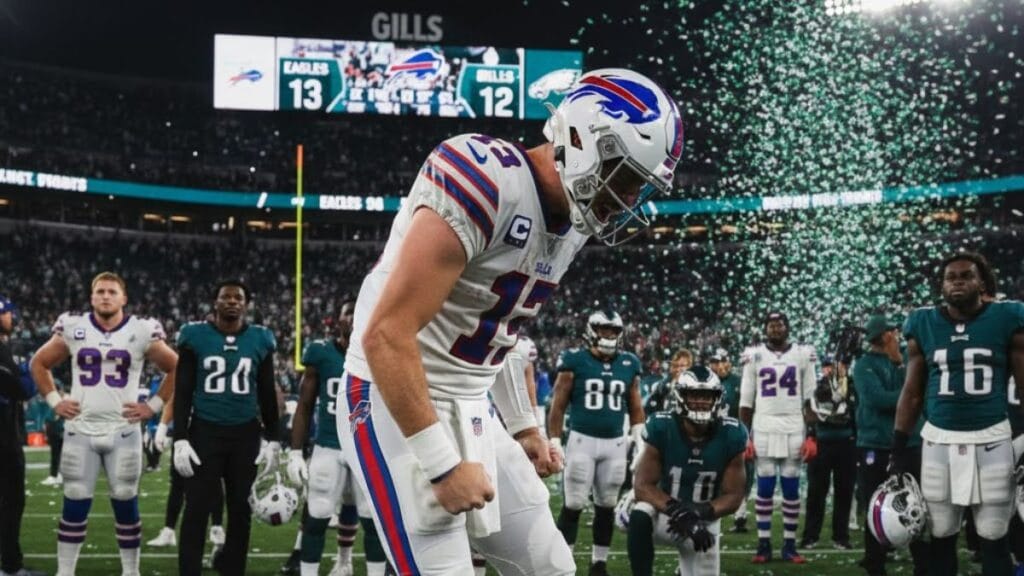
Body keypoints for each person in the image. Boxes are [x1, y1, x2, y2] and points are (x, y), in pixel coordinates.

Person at [336, 67, 683, 575]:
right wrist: (441, 463)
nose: (629, 200)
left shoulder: (572, 221)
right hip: (393, 397)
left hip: (470, 404)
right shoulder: (484, 178)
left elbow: (499, 333)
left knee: (551, 566)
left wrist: (522, 425)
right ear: (584, 141)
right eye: (627, 178)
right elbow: (387, 334)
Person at [30, 272, 178, 576]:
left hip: (123, 430)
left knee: (126, 500)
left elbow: (177, 367)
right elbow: (39, 363)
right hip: (79, 429)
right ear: (91, 297)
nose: (106, 296)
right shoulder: (73, 327)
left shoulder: (141, 329)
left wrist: (153, 406)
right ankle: (65, 571)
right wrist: (55, 401)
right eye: (100, 291)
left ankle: (131, 571)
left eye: (112, 291)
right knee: (74, 501)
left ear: (124, 298)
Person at [891, 251, 1024, 576]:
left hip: (992, 438)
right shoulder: (923, 323)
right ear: (941, 285)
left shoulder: (1008, 317)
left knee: (994, 535)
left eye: (966, 275)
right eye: (951, 277)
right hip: (939, 440)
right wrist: (897, 445)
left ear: (982, 282)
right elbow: (912, 392)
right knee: (940, 533)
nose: (958, 282)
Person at [172, 280, 280, 576]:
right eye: (226, 297)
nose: (232, 301)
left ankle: (233, 569)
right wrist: (179, 437)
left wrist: (273, 438)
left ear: (246, 305)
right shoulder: (195, 336)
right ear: (215, 303)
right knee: (196, 508)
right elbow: (182, 391)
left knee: (241, 510)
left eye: (238, 298)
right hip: (205, 431)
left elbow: (267, 392)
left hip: (244, 434)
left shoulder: (259, 339)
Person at [285, 298, 388, 576]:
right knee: (317, 516)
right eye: (348, 314)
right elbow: (305, 406)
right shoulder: (320, 353)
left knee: (373, 520)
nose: (354, 319)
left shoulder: (384, 351)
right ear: (338, 320)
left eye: (360, 312)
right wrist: (295, 452)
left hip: (367, 448)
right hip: (328, 446)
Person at [547, 310, 645, 575]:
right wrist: (555, 440)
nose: (609, 336)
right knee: (574, 504)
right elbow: (558, 406)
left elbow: (635, 405)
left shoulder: (628, 363)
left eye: (613, 331)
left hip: (614, 444)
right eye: (604, 330)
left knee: (607, 505)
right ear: (592, 331)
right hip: (581, 441)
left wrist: (639, 436)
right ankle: (563, 562)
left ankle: (598, 563)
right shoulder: (575, 360)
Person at [627, 365, 747, 575]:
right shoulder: (662, 427)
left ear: (717, 399)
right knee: (639, 513)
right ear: (680, 397)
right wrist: (678, 511)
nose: (700, 401)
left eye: (706, 396)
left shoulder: (732, 434)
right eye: (694, 395)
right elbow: (642, 486)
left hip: (704, 519)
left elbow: (734, 496)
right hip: (663, 511)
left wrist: (697, 512)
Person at [739, 311, 818, 564]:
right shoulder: (754, 355)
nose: (775, 329)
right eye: (771, 325)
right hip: (763, 426)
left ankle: (789, 545)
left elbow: (810, 398)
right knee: (764, 487)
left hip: (794, 426)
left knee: (791, 487)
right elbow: (746, 400)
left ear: (787, 327)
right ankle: (764, 544)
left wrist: (812, 435)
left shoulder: (803, 354)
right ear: (765, 329)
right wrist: (745, 436)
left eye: (779, 324)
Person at [853, 313, 927, 576]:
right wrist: (910, 395)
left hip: (910, 444)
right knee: (876, 504)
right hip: (875, 444)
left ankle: (923, 565)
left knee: (918, 505)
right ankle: (875, 565)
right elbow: (879, 400)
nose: (897, 335)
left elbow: (918, 391)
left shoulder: (907, 360)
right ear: (885, 336)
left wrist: (899, 367)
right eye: (893, 332)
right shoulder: (862, 366)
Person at [146, 400, 227, 571]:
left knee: (212, 481)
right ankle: (170, 531)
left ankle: (216, 529)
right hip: (186, 430)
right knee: (178, 482)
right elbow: (176, 395)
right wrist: (163, 425)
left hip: (210, 428)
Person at [0, 297, 47, 576]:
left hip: (6, 433)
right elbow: (23, 388)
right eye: (6, 313)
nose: (12, 318)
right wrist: (33, 369)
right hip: (3, 439)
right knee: (12, 500)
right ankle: (9, 565)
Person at [801, 355, 856, 550]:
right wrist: (810, 436)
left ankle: (840, 536)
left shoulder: (850, 383)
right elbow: (810, 411)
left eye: (831, 366)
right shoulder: (817, 386)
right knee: (816, 492)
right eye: (825, 366)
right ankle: (810, 536)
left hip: (846, 442)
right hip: (822, 443)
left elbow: (855, 411)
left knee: (844, 492)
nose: (828, 370)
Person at [708, 347, 754, 534]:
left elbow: (748, 408)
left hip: (735, 434)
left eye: (721, 361)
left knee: (743, 476)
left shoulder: (738, 382)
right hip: (714, 436)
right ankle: (711, 513)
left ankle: (740, 515)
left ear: (728, 362)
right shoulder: (709, 383)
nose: (719, 366)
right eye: (715, 362)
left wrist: (748, 434)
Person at [643, 349, 693, 414]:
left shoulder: (694, 385)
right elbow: (650, 406)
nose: (678, 369)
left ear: (689, 366)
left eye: (682, 366)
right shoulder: (663, 384)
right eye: (676, 365)